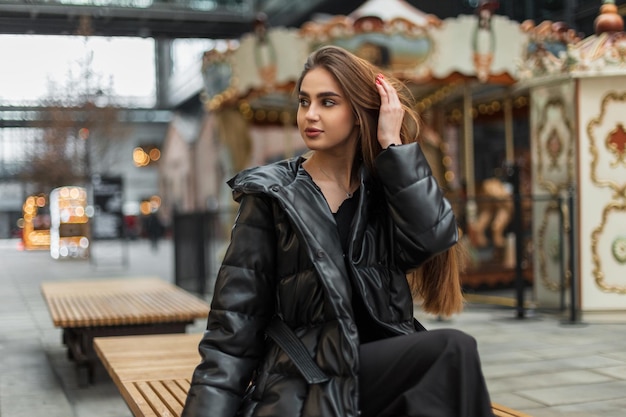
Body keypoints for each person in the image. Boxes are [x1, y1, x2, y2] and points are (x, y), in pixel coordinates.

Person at [182, 45, 494, 417]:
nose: (310, 115)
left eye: (327, 102)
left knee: (452, 363)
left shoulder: (380, 189)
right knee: (452, 352)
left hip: (375, 371)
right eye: (304, 101)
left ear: (360, 113)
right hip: (309, 380)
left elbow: (434, 238)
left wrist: (394, 148)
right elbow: (232, 329)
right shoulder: (271, 196)